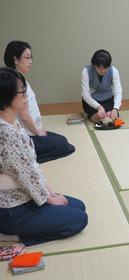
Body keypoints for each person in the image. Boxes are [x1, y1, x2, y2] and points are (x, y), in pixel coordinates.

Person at [0, 67, 88, 246]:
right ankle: (13, 236)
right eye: (22, 92)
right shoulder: (6, 134)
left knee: (78, 206)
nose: (26, 97)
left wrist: (50, 192)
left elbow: (32, 166)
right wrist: (48, 198)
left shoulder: (12, 122)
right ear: (7, 96)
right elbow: (26, 175)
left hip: (27, 197)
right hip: (13, 210)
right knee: (79, 219)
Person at [3, 41, 75, 163]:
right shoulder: (15, 83)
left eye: (31, 57)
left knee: (62, 140)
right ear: (15, 59)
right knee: (64, 146)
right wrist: (37, 132)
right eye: (27, 57)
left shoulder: (17, 78)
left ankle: (26, 156)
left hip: (31, 131)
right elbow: (24, 115)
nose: (30, 61)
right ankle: (24, 159)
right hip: (26, 135)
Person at [81, 49, 122, 122]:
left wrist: (115, 109)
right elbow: (85, 95)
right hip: (92, 100)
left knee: (112, 117)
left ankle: (107, 114)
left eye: (105, 68)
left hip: (107, 99)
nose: (103, 71)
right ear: (94, 65)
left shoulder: (114, 71)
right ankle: (97, 116)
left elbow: (118, 91)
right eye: (100, 68)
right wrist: (99, 107)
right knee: (99, 118)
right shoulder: (86, 71)